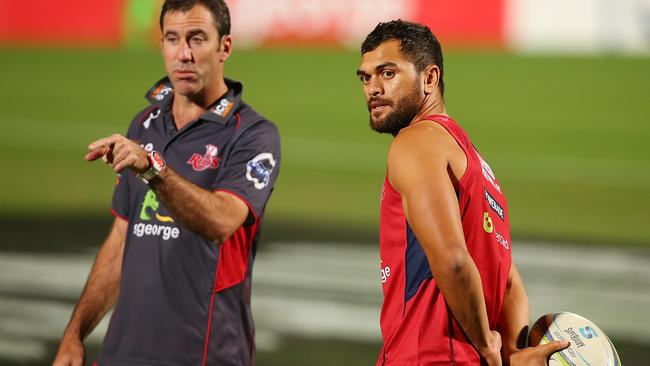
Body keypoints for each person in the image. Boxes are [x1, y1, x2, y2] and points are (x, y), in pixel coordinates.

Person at [52, 1, 280, 365]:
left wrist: (151, 168)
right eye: (172, 39)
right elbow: (120, 242)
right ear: (162, 46)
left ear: (225, 47)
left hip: (203, 355)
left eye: (197, 39)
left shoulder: (253, 135)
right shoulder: (144, 124)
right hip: (121, 356)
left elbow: (221, 222)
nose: (184, 53)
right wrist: (74, 334)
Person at [357, 20, 529, 365]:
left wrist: (485, 346)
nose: (373, 88)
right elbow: (509, 284)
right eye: (365, 77)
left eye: (387, 73)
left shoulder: (416, 141)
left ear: (430, 78)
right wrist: (512, 355)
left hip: (425, 354)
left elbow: (452, 260)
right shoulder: (475, 163)